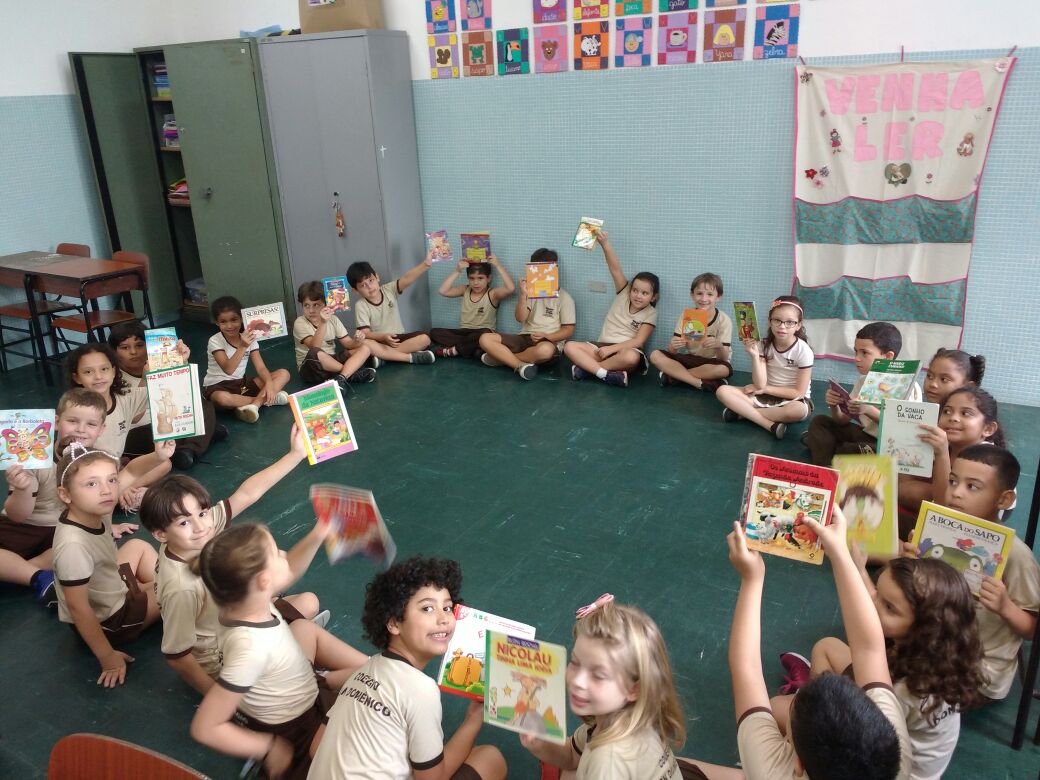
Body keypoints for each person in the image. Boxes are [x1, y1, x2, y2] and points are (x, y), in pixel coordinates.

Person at [726, 505, 912, 780]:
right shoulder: (897, 758)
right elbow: (869, 649)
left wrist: (752, 579)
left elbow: (746, 668)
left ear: (798, 762)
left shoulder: (770, 771)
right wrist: (839, 552)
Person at [140, 425, 323, 695]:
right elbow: (177, 655)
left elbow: (247, 493)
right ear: (160, 534)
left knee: (309, 602)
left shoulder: (196, 532)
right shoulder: (181, 586)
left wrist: (295, 454)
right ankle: (295, 658)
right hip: (224, 658)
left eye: (202, 514)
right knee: (301, 638)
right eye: (184, 522)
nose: (200, 527)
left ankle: (292, 645)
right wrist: (217, 696)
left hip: (234, 620)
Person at [773, 555, 985, 780]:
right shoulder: (940, 655)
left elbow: (856, 739)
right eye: (877, 593)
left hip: (886, 770)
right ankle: (810, 694)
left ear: (924, 627)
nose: (873, 605)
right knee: (826, 647)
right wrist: (859, 570)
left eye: (889, 607)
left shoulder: (908, 692)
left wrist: (803, 724)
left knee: (777, 708)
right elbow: (878, 608)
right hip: (886, 714)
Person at [191, 522, 369, 779]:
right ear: (264, 581)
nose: (285, 554)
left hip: (295, 686)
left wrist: (319, 532)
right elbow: (205, 727)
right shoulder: (251, 650)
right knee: (376, 705)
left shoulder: (242, 602)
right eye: (276, 553)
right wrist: (267, 747)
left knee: (303, 628)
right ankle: (358, 676)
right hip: (297, 728)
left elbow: (290, 570)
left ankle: (332, 679)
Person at [308, 556, 506, 780]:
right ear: (394, 623)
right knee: (490, 758)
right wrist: (475, 719)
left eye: (447, 607)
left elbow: (316, 748)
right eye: (427, 608)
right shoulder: (421, 689)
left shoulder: (365, 670)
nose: (443, 618)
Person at [521, 595, 738, 779]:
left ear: (634, 689)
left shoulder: (607, 763)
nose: (578, 681)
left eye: (598, 675)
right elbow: (571, 755)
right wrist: (541, 744)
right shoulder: (626, 715)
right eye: (575, 663)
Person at [904, 445, 1039, 700]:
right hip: (934, 644)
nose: (956, 492)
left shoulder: (1017, 557)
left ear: (1004, 500)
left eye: (972, 487)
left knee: (899, 685)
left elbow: (1033, 630)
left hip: (979, 670)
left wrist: (1006, 607)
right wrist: (911, 564)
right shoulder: (935, 532)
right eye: (953, 481)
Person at [52, 440, 173, 687]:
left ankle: (152, 587)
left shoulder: (94, 507)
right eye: (92, 483)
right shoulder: (73, 546)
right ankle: (160, 590)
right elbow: (78, 608)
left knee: (137, 546)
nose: (107, 490)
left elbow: (132, 471)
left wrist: (158, 456)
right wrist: (108, 658)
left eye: (111, 480)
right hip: (112, 621)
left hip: (112, 586)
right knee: (178, 586)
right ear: (65, 494)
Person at [2, 389, 110, 600]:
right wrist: (22, 489)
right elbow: (17, 516)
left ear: (101, 429)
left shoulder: (98, 460)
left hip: (61, 530)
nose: (80, 430)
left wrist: (106, 525)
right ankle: (37, 577)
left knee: (87, 546)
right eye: (72, 421)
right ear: (56, 422)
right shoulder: (34, 458)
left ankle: (19, 571)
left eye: (91, 424)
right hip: (24, 526)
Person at [108, 321, 226, 471]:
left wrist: (183, 362)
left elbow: (185, 395)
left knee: (204, 405)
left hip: (167, 419)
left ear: (149, 346)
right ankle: (201, 436)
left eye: (139, 345)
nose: (133, 352)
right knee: (155, 435)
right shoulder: (114, 377)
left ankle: (188, 449)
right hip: (139, 430)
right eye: (125, 347)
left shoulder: (160, 362)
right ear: (115, 352)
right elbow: (134, 417)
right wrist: (145, 379)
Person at [65, 343, 172, 509]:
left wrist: (179, 361)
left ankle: (125, 491)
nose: (98, 376)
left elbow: (169, 390)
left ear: (114, 371)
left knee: (164, 462)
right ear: (77, 377)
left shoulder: (124, 398)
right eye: (88, 372)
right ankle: (119, 495)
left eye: (104, 369)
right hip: (89, 478)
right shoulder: (74, 412)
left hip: (116, 470)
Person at [803, 322, 920, 465]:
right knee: (820, 422)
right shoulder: (863, 382)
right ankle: (824, 466)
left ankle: (827, 449)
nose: (857, 358)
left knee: (849, 450)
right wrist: (834, 405)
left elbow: (902, 431)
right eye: (856, 351)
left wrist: (869, 410)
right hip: (865, 436)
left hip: (890, 446)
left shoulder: (908, 387)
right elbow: (842, 420)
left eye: (864, 353)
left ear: (888, 357)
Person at [897, 386, 1004, 532]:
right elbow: (904, 482)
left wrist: (941, 454)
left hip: (965, 529)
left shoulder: (985, 460)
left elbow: (944, 507)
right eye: (947, 411)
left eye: (965, 413)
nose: (953, 418)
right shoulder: (945, 444)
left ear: (988, 429)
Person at [564, 230, 658, 388]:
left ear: (653, 297)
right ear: (630, 290)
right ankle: (606, 375)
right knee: (569, 347)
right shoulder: (624, 293)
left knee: (631, 358)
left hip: (624, 351)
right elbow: (615, 268)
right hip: (600, 347)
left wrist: (611, 349)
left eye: (644, 293)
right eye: (635, 290)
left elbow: (638, 341)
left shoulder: (651, 313)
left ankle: (588, 370)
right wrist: (604, 244)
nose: (638, 296)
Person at [716, 296, 813, 440]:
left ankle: (742, 414)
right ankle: (768, 424)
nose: (782, 326)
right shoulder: (763, 345)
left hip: (792, 399)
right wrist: (755, 356)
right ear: (769, 321)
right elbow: (759, 384)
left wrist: (765, 389)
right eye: (777, 320)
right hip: (763, 394)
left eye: (790, 322)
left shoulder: (803, 350)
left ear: (798, 325)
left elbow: (798, 393)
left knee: (797, 411)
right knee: (722, 390)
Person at [477, 248, 576, 381]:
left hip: (548, 341)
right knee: (485, 338)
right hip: (524, 337)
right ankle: (519, 365)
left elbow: (568, 330)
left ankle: (501, 359)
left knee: (545, 351)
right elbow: (520, 318)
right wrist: (523, 295)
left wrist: (547, 336)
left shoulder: (565, 297)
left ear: (554, 270)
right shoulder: (530, 293)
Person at [202, 295, 291, 424]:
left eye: (234, 320)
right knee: (223, 399)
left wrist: (269, 383)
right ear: (217, 323)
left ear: (241, 319)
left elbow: (261, 368)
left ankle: (254, 405)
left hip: (241, 384)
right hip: (217, 386)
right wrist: (243, 346)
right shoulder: (215, 340)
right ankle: (266, 400)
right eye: (223, 322)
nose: (229, 325)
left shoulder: (250, 338)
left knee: (284, 373)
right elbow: (229, 369)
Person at [650, 272, 732, 393]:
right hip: (690, 359)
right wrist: (674, 345)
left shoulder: (724, 320)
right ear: (692, 295)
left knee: (723, 370)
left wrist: (719, 345)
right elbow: (672, 351)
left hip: (713, 362)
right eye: (699, 293)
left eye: (710, 294)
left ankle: (674, 376)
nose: (704, 299)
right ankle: (698, 382)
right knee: (655, 355)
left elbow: (723, 359)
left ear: (718, 297)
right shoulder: (686, 316)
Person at [348, 256, 436, 367]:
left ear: (377, 277)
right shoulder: (361, 305)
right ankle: (404, 357)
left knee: (425, 339)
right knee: (365, 343)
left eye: (371, 280)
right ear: (355, 290)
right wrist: (383, 337)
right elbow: (366, 333)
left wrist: (425, 265)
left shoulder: (388, 289)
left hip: (398, 339)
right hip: (379, 342)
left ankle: (384, 357)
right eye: (363, 285)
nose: (369, 287)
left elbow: (407, 278)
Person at [293, 281, 376, 387]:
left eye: (316, 305)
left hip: (332, 362)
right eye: (306, 306)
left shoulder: (333, 319)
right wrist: (323, 323)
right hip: (311, 367)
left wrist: (357, 341)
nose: (311, 310)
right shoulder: (300, 322)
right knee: (315, 353)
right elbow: (314, 347)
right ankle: (350, 373)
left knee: (365, 349)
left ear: (326, 304)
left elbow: (348, 343)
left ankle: (341, 377)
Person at [430, 255, 515, 359]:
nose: (476, 283)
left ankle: (455, 350)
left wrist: (498, 265)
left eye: (480, 278)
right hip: (464, 333)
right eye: (472, 278)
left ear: (488, 278)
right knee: (434, 332)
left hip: (482, 333)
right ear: (468, 278)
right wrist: (457, 271)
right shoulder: (465, 290)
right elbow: (443, 291)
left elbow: (510, 288)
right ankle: (470, 350)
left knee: (483, 336)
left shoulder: (492, 294)